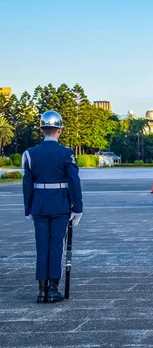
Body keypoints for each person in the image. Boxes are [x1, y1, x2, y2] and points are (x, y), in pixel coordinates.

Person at [22, 111, 83, 303]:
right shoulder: (66, 153)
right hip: (60, 205)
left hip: (39, 205)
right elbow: (74, 181)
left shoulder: (30, 153)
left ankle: (42, 290)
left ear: (41, 130)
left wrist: (28, 208)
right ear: (59, 131)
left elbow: (27, 183)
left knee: (42, 246)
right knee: (56, 245)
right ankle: (54, 289)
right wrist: (78, 207)